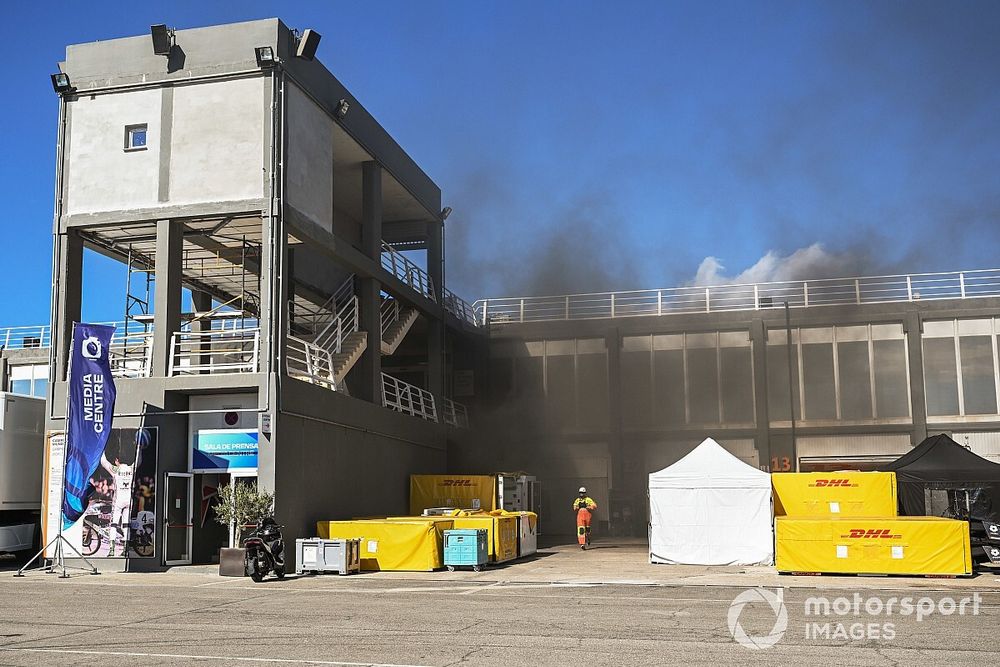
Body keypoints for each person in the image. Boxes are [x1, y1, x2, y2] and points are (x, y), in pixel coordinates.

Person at [99, 448, 136, 556]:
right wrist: (140, 447)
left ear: (117, 460)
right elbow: (139, 461)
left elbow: (103, 462)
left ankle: (111, 550)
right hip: (129, 500)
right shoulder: (131, 468)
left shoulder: (115, 469)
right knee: (126, 525)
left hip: (118, 500)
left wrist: (102, 448)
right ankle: (125, 550)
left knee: (114, 525)